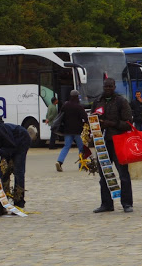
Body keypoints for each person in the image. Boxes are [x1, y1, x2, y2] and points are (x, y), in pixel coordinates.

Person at [91, 78, 135, 213]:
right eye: (106, 86)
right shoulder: (98, 101)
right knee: (104, 174)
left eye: (110, 86)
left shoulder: (121, 101)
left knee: (123, 174)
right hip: (102, 143)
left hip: (118, 141)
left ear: (114, 87)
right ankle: (106, 204)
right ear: (103, 86)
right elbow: (92, 120)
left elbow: (128, 123)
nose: (108, 88)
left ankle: (127, 203)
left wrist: (111, 124)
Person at [55, 90, 89, 172]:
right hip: (78, 131)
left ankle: (59, 161)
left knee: (66, 146)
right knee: (81, 148)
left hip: (67, 130)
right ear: (77, 97)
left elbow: (61, 116)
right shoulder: (79, 107)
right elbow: (85, 118)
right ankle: (81, 164)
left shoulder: (65, 105)